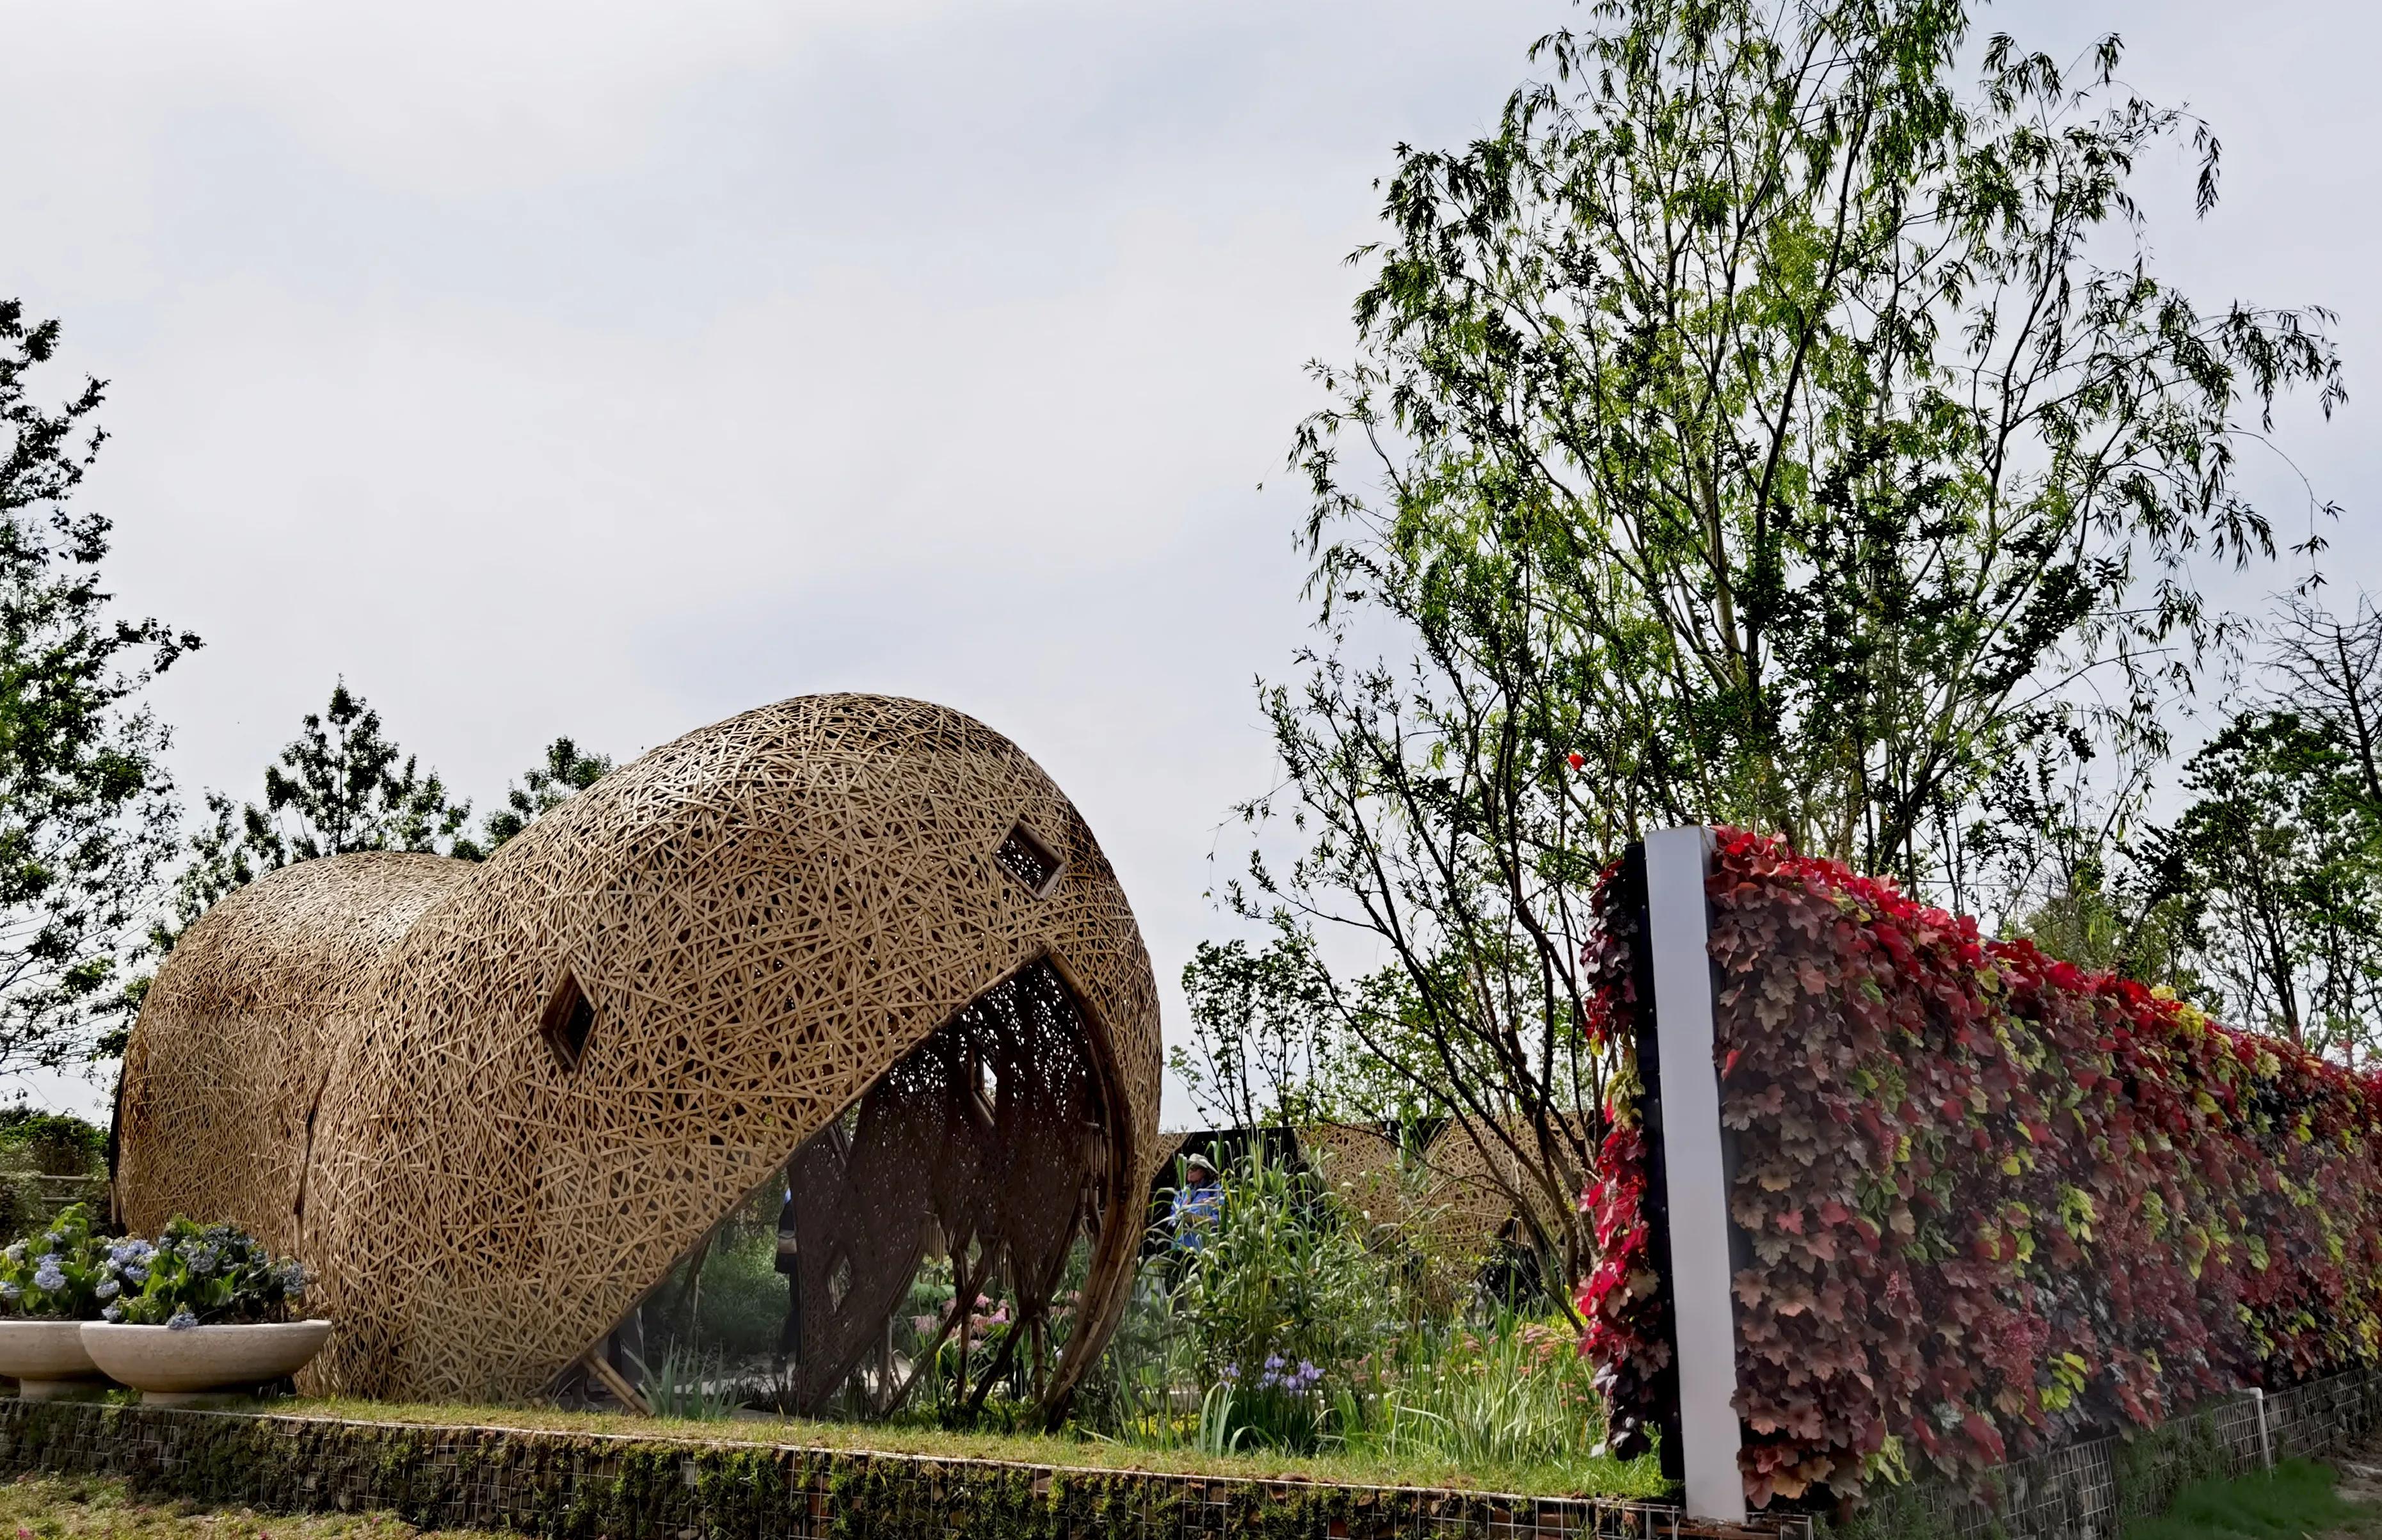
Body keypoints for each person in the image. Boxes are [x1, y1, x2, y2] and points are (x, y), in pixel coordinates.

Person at [1169, 1153, 1223, 1251]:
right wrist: (1179, 1217)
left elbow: (1220, 1219)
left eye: (1194, 1168)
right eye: (1188, 1167)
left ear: (1204, 1172)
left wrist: (1197, 1219)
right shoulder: (1183, 1192)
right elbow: (1172, 1217)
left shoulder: (1214, 1191)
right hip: (1179, 1247)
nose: (1190, 1171)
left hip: (1201, 1250)